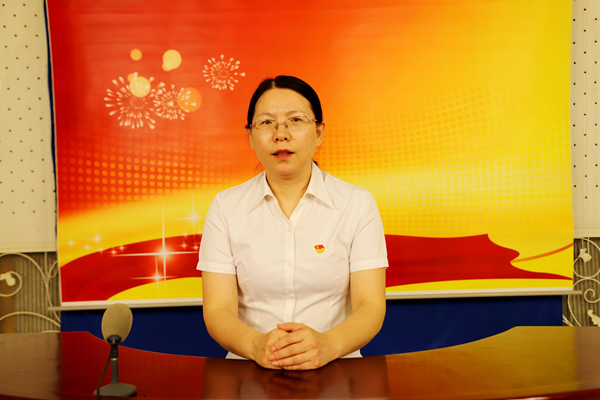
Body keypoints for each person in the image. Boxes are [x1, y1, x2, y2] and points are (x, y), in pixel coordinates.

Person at [197, 75, 388, 370]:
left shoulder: (357, 204)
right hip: (250, 370)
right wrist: (257, 346)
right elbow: (218, 309)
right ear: (250, 136)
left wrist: (326, 345)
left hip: (336, 370)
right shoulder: (226, 207)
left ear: (319, 132)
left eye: (295, 120)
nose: (281, 135)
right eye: (266, 122)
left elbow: (370, 306)